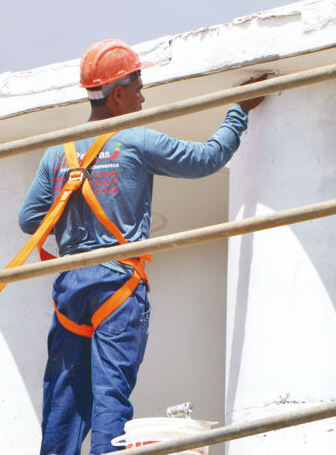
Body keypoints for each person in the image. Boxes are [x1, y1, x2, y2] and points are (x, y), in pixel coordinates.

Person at [18, 38, 266, 455]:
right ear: (117, 95)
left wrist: (74, 204)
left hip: (71, 290)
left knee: (64, 398)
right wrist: (238, 111)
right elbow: (206, 159)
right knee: (110, 394)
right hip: (117, 284)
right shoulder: (136, 141)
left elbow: (30, 220)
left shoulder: (57, 154)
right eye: (137, 88)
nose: (142, 97)